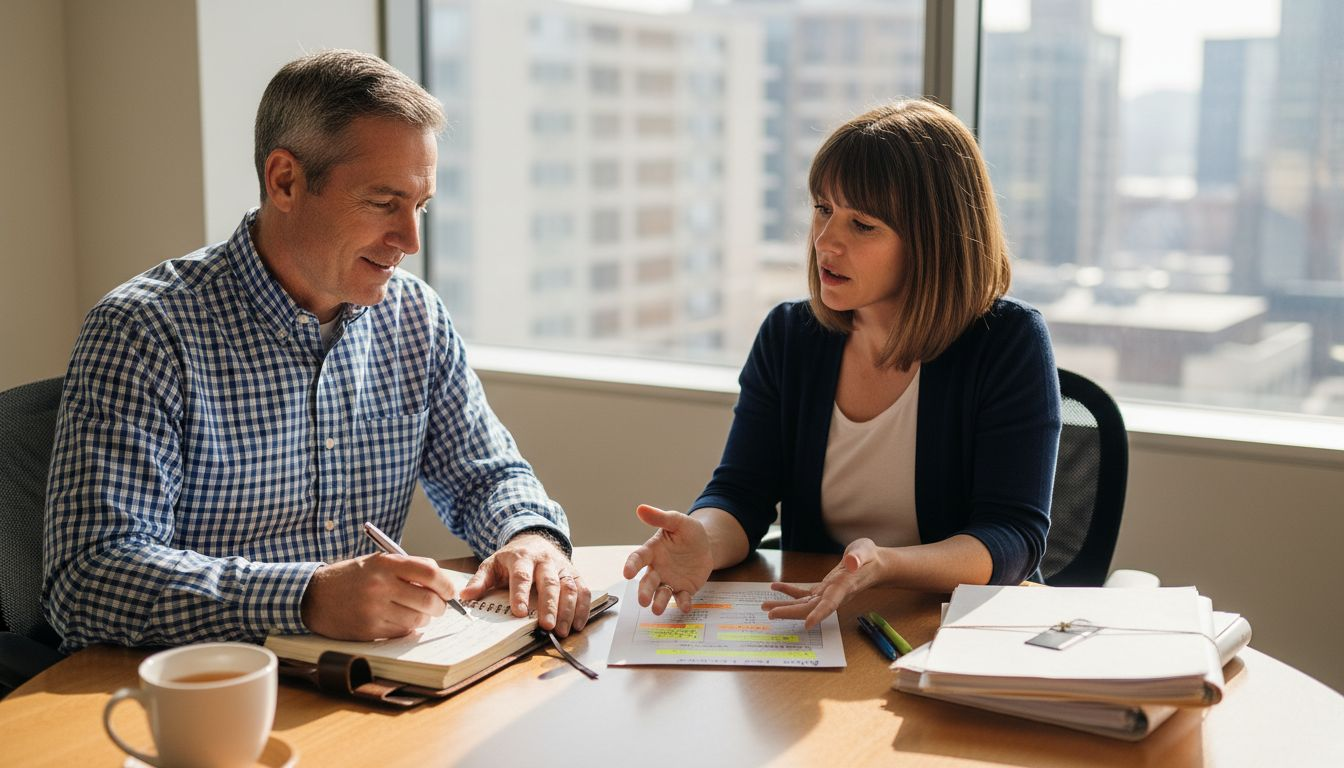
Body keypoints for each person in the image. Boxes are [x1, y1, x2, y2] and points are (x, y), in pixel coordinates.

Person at [43, 50, 591, 653]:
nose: (410, 240)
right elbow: (88, 578)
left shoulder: (415, 316)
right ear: (285, 181)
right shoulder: (144, 332)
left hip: (366, 681)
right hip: (204, 692)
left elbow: (486, 476)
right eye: (384, 203)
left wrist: (531, 536)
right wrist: (306, 597)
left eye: (421, 206)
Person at [623, 99, 1061, 628]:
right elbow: (741, 493)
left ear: (933, 240)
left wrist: (882, 565)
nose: (826, 241)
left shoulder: (1007, 342)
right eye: (823, 209)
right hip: (820, 624)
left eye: (863, 225)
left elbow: (1012, 537)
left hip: (943, 627)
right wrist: (704, 540)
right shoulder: (790, 337)